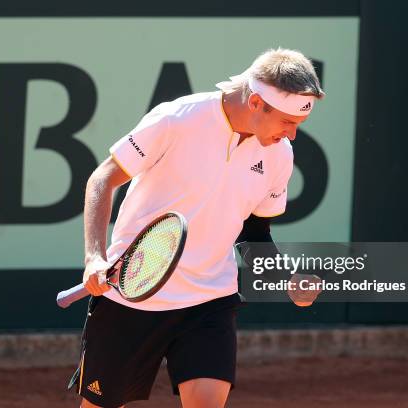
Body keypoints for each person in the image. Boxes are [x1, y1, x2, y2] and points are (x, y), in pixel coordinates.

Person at [71, 47, 325, 408]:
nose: (292, 136)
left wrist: (287, 279)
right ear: (255, 103)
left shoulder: (279, 154)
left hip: (209, 300)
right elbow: (102, 180)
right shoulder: (177, 119)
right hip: (132, 292)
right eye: (287, 122)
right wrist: (94, 257)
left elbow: (255, 234)